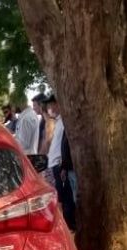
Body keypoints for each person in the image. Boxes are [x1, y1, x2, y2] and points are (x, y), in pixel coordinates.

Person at [45, 94, 77, 231]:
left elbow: (65, 144)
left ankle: (71, 225)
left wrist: (62, 163)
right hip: (54, 164)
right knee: (62, 198)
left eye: (52, 104)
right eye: (49, 106)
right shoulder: (58, 122)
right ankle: (69, 224)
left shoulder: (65, 121)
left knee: (67, 198)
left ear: (58, 104)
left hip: (60, 164)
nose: (50, 108)